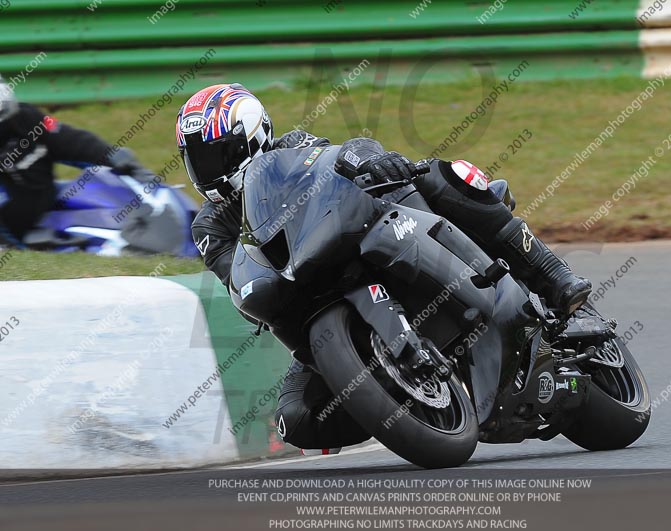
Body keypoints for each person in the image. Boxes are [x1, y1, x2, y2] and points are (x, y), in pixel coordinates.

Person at [178, 83, 592, 453]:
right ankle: (402, 401)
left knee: (439, 174)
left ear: (252, 137)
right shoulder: (209, 224)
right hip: (307, 300)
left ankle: (552, 274)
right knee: (296, 419)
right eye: (196, 158)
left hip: (365, 236)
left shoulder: (292, 147)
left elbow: (342, 153)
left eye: (217, 153)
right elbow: (235, 273)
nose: (207, 168)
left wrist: (369, 161)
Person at [0, 76, 152, 246]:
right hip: (11, 220)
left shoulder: (26, 117)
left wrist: (113, 156)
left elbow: (67, 139)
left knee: (105, 189)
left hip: (45, 198)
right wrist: (18, 243)